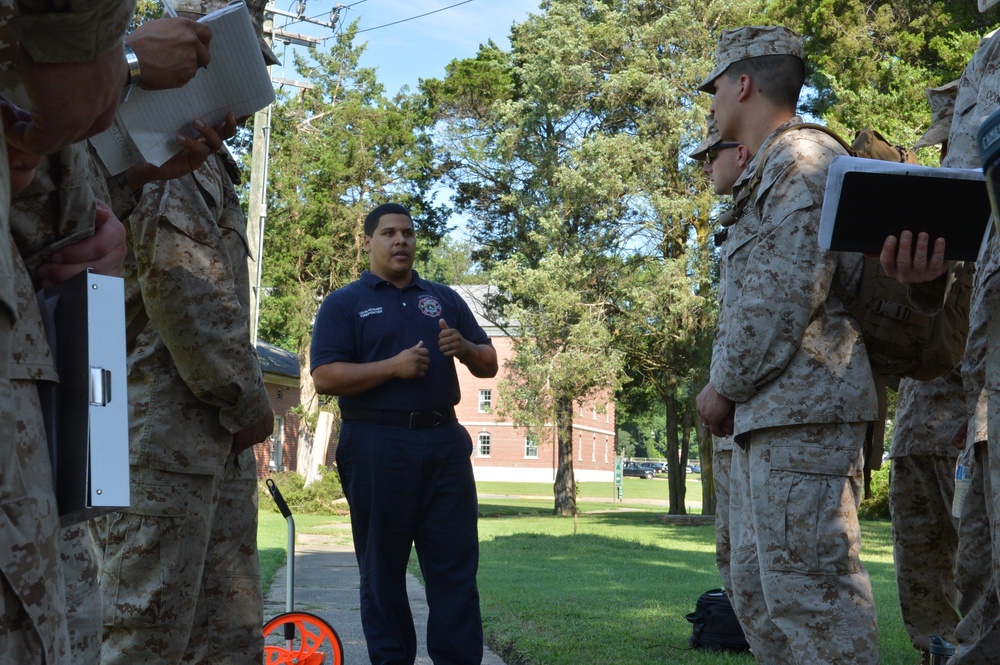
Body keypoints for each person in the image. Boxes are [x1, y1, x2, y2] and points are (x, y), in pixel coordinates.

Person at [87, 3, 277, 662]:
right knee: (145, 636)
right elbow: (186, 295)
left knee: (220, 639)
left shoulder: (200, 157)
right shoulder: (172, 149)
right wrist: (250, 404)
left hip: (199, 448)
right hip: (158, 447)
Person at [695, 25, 880, 664]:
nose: (712, 103)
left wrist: (724, 385)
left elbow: (781, 300)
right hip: (772, 419)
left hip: (804, 420)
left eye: (715, 87)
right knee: (763, 603)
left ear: (742, 83)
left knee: (816, 607)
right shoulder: (769, 170)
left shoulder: (800, 163)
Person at [311, 202, 499, 665]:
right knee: (382, 573)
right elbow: (325, 377)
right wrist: (392, 368)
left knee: (454, 570)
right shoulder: (345, 303)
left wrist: (466, 347)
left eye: (408, 234)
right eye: (390, 233)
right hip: (377, 445)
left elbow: (490, 362)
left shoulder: (444, 298)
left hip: (443, 444)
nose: (401, 241)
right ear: (369, 242)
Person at [886, 81, 966, 662]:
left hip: (972, 434)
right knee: (920, 582)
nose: (942, 154)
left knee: (980, 583)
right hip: (917, 434)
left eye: (952, 141)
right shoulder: (935, 211)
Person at [689, 116, 748, 594]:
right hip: (735, 424)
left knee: (774, 572)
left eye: (712, 156)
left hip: (763, 418)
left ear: (741, 154)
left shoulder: (787, 196)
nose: (706, 169)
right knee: (734, 559)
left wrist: (725, 387)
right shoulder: (740, 219)